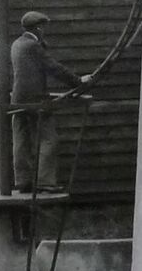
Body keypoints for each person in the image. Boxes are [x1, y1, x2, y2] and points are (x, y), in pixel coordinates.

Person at [11, 11, 87, 192]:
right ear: (38, 28)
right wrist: (78, 81)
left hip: (18, 99)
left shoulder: (17, 44)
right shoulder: (33, 46)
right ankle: (45, 182)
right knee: (49, 140)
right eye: (43, 28)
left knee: (21, 139)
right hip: (36, 101)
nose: (44, 31)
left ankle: (23, 181)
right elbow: (54, 68)